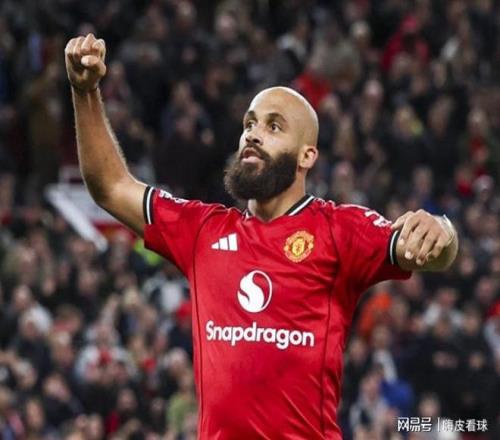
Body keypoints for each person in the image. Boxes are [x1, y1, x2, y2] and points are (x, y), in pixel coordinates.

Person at [64, 33, 459, 440]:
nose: (252, 134)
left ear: (307, 155)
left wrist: (441, 231)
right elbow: (110, 186)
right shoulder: (202, 231)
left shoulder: (339, 230)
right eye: (249, 124)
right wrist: (85, 91)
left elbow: (431, 251)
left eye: (273, 127)